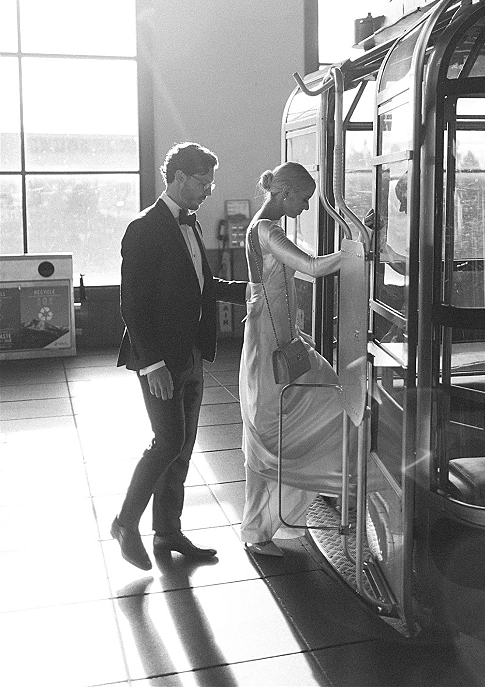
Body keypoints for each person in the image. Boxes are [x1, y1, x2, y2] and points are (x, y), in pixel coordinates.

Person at [112, 142, 248, 570]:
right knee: (167, 441)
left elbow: (205, 285)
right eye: (203, 183)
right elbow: (132, 305)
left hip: (191, 354)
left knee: (183, 447)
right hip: (160, 359)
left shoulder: (192, 224)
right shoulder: (144, 227)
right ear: (179, 178)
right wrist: (152, 365)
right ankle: (125, 524)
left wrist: (254, 291)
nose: (208, 191)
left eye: (211, 184)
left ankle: (168, 531)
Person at [240, 162, 346, 558]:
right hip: (273, 343)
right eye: (303, 199)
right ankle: (263, 527)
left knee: (287, 422)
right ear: (284, 194)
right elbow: (314, 268)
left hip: (274, 339)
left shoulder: (259, 227)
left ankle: (276, 519)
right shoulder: (269, 230)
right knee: (280, 427)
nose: (305, 207)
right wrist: (357, 246)